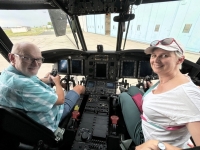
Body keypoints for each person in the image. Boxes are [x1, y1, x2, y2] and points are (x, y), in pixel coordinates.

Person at [119, 38, 200, 149]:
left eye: (164, 56)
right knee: (132, 88)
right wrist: (152, 87)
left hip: (146, 138)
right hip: (150, 119)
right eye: (154, 55)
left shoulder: (188, 96)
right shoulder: (171, 78)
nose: (156, 60)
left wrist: (159, 145)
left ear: (180, 60)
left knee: (123, 95)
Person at [0, 42, 85, 132]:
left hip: (29, 117)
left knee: (48, 77)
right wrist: (57, 83)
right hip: (52, 118)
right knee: (79, 88)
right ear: (12, 58)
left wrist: (48, 80)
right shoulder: (23, 86)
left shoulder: (6, 74)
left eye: (39, 59)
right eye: (28, 58)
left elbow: (30, 81)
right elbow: (61, 100)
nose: (36, 64)